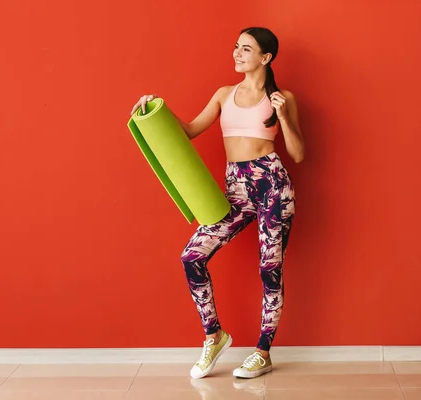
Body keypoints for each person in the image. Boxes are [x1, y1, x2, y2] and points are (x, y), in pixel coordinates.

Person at [130, 27, 305, 379]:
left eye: (246, 49)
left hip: (272, 184)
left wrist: (283, 116)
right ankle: (214, 335)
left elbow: (298, 155)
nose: (237, 54)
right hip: (236, 189)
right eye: (236, 48)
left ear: (265, 58)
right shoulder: (225, 94)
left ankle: (262, 352)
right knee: (192, 256)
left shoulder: (281, 97)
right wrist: (154, 109)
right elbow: (190, 130)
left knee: (270, 269)